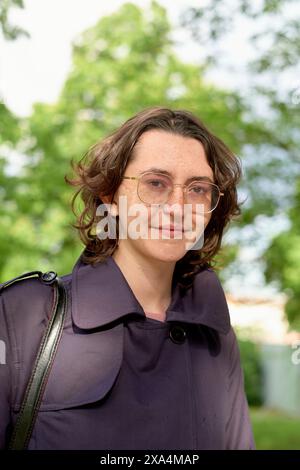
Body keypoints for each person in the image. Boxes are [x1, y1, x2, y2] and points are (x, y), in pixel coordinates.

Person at [0, 106, 255, 450]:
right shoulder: (22, 313)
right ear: (110, 197)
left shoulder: (216, 338)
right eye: (155, 183)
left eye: (197, 189)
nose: (178, 206)